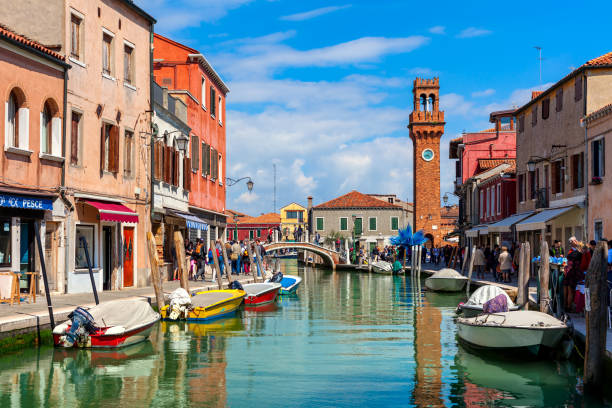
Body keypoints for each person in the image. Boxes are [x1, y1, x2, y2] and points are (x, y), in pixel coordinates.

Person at [563, 237, 583, 312]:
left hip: (568, 272)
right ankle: (568, 307)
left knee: (567, 289)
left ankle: (565, 306)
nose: (576, 241)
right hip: (572, 273)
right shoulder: (578, 254)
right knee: (570, 291)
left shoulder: (570, 253)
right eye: (575, 240)